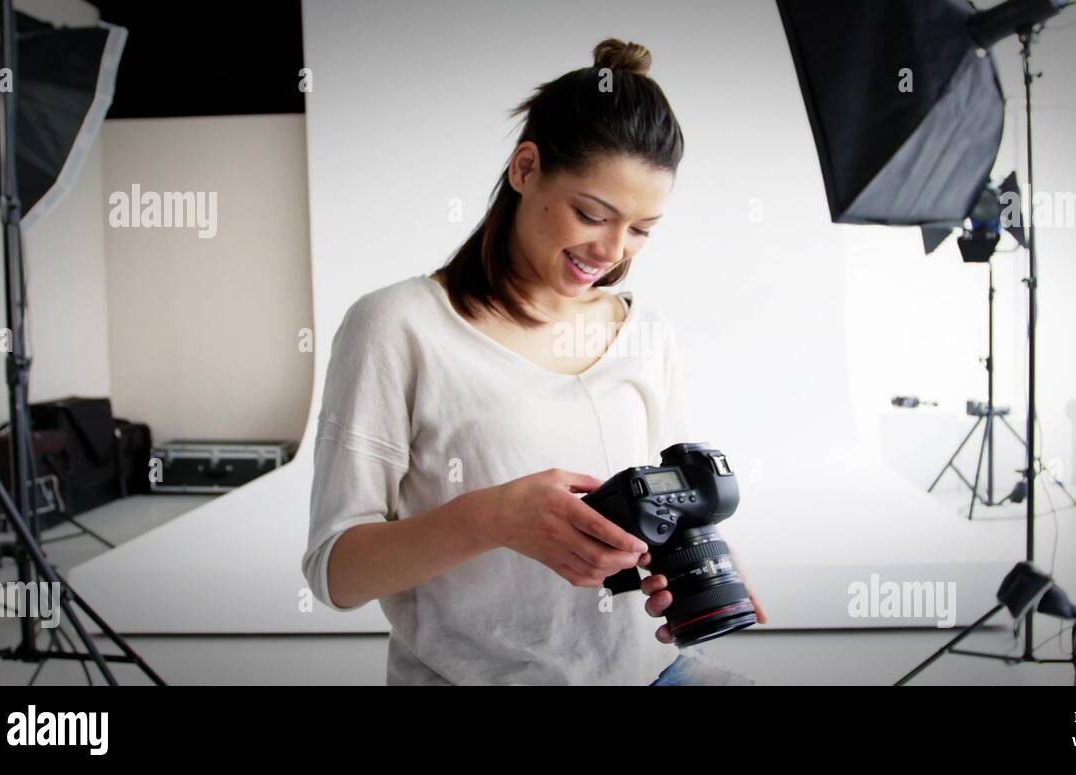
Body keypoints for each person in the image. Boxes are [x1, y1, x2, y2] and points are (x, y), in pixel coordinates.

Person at [302, 38, 765, 685]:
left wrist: (688, 561)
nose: (613, 250)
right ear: (525, 168)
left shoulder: (646, 332)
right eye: (592, 214)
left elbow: (666, 503)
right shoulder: (397, 325)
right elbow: (336, 573)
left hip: (656, 671)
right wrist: (492, 517)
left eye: (641, 229)